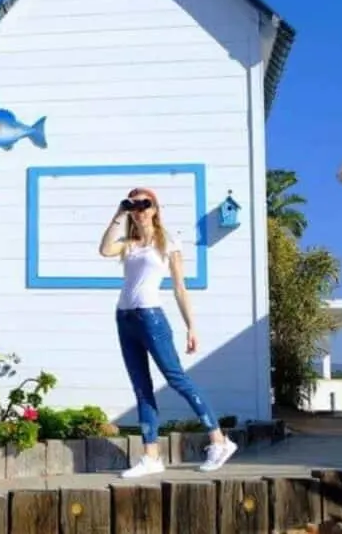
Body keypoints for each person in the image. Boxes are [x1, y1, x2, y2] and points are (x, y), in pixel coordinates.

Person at [98, 187, 237, 477]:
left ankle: (219, 440)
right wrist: (118, 212)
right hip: (124, 318)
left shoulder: (168, 242)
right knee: (141, 387)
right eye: (134, 205)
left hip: (151, 318)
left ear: (155, 208)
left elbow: (179, 288)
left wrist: (191, 327)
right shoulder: (128, 243)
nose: (139, 210)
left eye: (145, 204)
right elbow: (104, 250)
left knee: (176, 379)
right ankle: (151, 456)